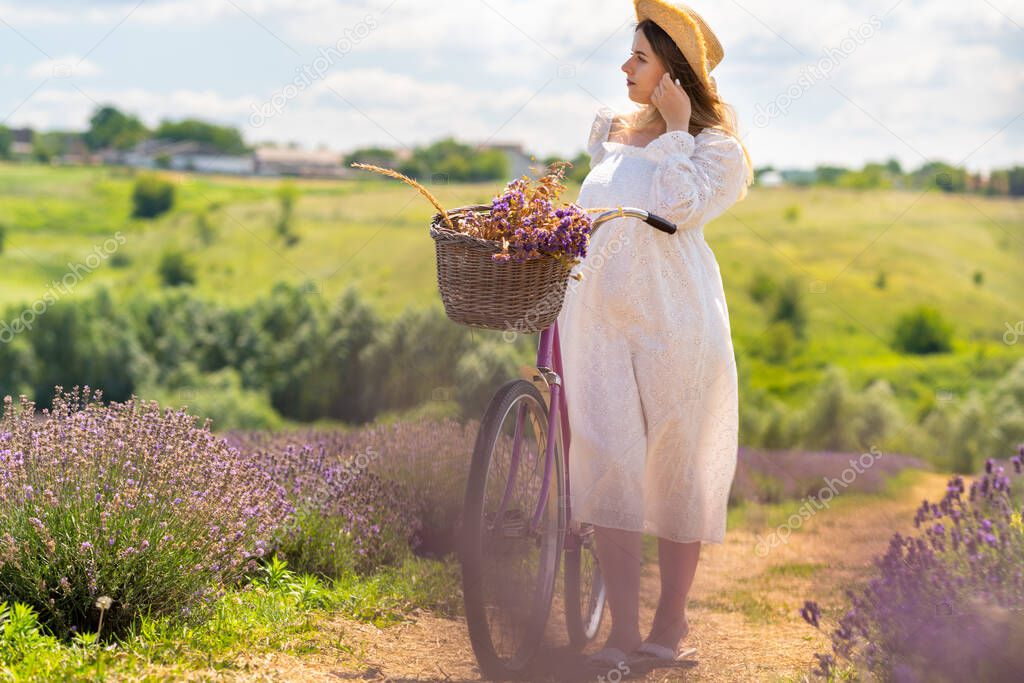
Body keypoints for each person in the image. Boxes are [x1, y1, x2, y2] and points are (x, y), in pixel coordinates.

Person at [555, 0, 754, 672]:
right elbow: (591, 210)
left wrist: (673, 131)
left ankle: (672, 618)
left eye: (640, 57)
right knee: (609, 459)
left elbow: (675, 211)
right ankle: (620, 631)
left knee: (676, 467)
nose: (625, 66)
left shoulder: (716, 149)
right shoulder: (609, 128)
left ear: (675, 72)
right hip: (599, 322)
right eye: (630, 54)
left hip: (678, 323)